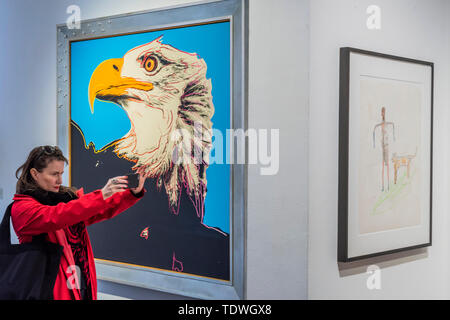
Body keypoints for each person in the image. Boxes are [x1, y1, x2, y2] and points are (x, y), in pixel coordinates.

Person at [10, 145, 150, 300]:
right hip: (49, 289)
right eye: (54, 174)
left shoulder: (63, 199)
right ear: (35, 173)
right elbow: (58, 215)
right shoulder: (22, 209)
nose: (60, 180)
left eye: (61, 173)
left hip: (79, 282)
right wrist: (102, 194)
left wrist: (131, 193)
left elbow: (96, 210)